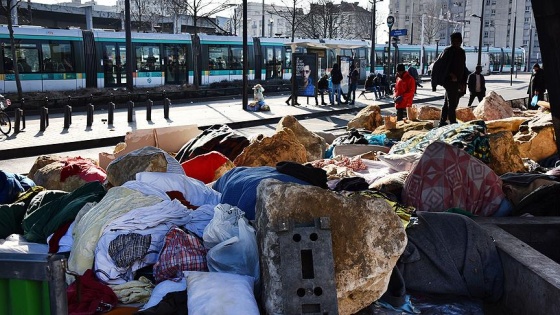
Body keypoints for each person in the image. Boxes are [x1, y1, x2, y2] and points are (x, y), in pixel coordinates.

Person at [436, 32, 467, 126]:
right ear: (451, 41)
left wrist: (463, 81)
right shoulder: (448, 51)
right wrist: (450, 74)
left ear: (461, 41)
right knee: (452, 103)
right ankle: (452, 122)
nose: (456, 43)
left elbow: (463, 67)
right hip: (449, 81)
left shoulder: (461, 52)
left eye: (458, 41)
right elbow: (441, 66)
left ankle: (442, 121)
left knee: (447, 102)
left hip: (457, 81)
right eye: (454, 41)